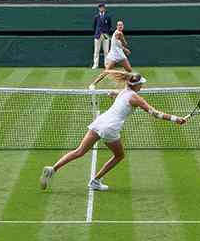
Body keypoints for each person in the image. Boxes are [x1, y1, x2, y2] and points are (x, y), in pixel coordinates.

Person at [40, 70, 184, 192]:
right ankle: (95, 181)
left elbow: (113, 94)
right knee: (119, 156)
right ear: (136, 85)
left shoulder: (123, 92)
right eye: (141, 83)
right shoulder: (136, 98)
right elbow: (155, 114)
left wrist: (113, 95)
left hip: (99, 122)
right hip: (110, 128)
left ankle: (53, 169)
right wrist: (175, 118)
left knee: (79, 151)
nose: (142, 85)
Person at [90, 3, 113, 70]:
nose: (101, 9)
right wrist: (98, 33)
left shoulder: (108, 17)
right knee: (96, 50)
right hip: (98, 35)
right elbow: (94, 26)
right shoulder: (96, 17)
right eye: (100, 7)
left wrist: (105, 32)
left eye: (102, 7)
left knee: (106, 51)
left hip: (106, 35)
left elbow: (109, 26)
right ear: (98, 9)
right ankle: (95, 65)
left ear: (104, 8)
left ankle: (107, 65)